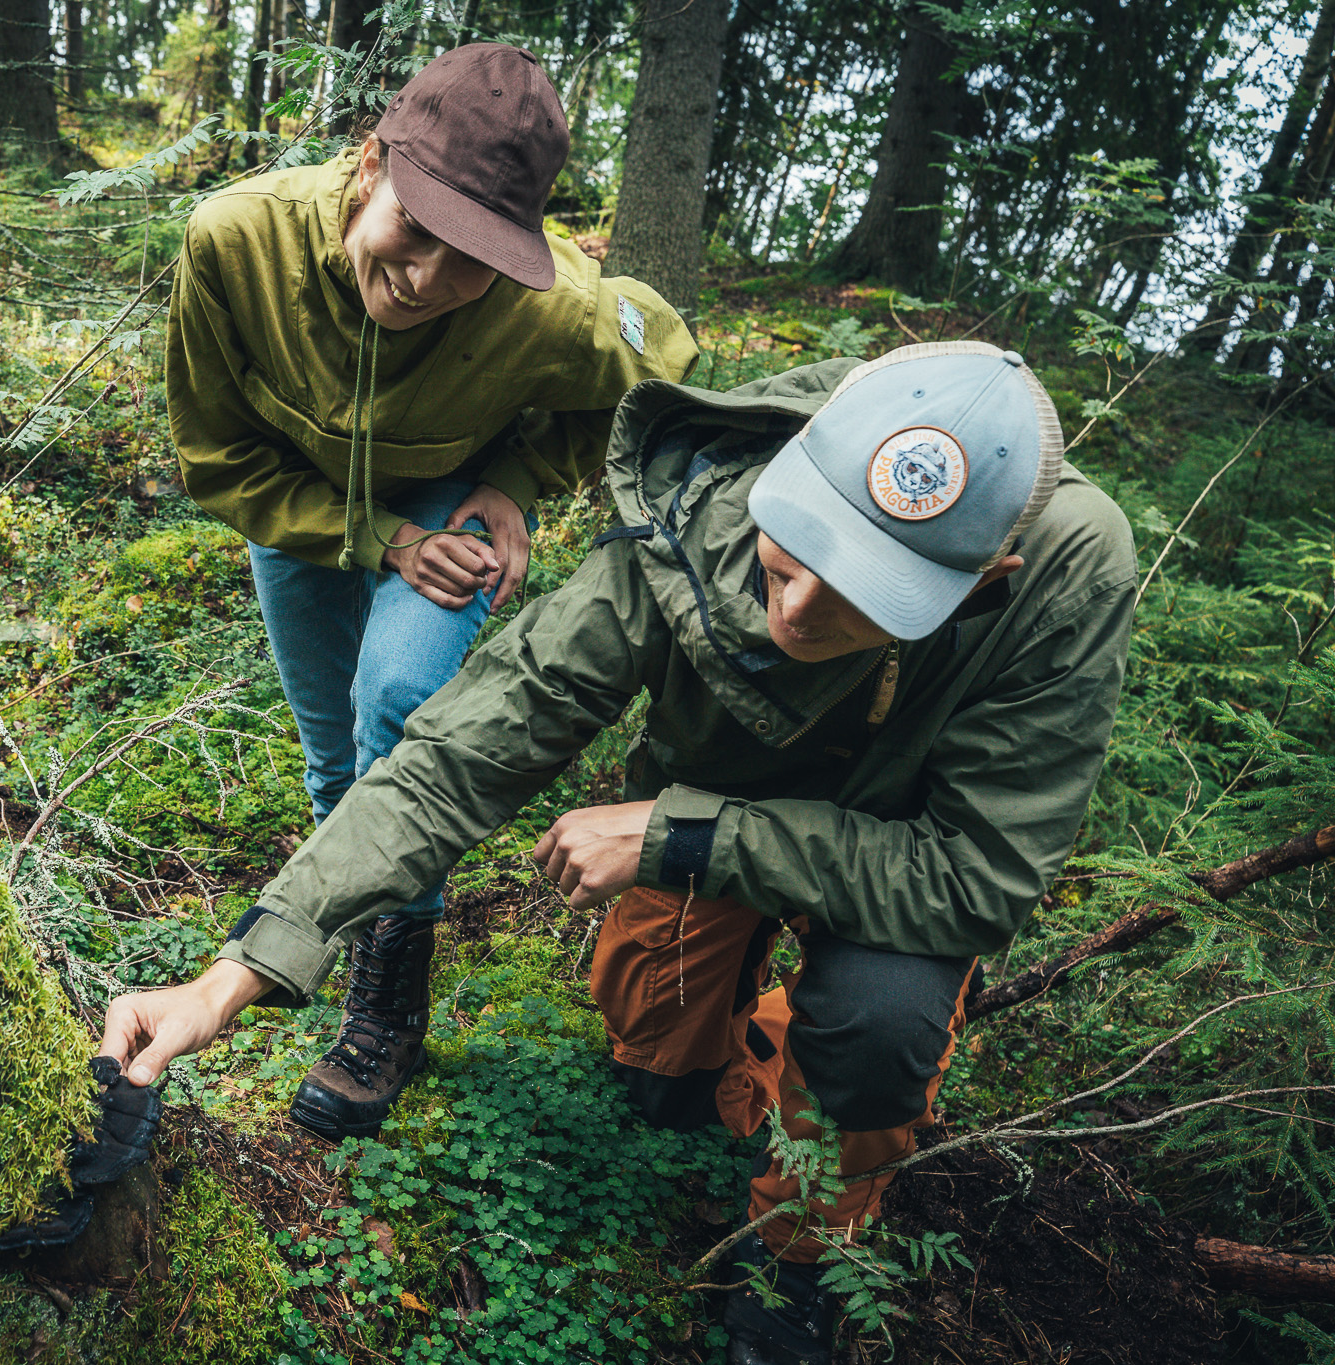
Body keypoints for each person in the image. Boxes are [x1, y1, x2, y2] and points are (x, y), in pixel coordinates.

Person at [103, 341, 1138, 1364]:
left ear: (984, 580)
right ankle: (756, 1051)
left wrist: (687, 837)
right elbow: (459, 757)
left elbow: (975, 876)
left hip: (894, 857)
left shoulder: (1065, 568)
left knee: (875, 1032)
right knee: (656, 1070)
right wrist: (234, 972)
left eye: (861, 600)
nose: (794, 615)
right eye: (788, 560)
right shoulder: (694, 511)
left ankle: (801, 1253)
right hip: (711, 797)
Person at [166, 42, 697, 1139]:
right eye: (415, 235)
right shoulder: (235, 239)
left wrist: (515, 482)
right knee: (330, 755)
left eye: (474, 264)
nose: (428, 283)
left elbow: (663, 363)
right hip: (304, 512)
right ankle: (367, 941)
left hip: (449, 507)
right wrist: (376, 537)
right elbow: (218, 460)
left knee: (396, 713)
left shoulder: (550, 308)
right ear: (369, 168)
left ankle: (385, 1013)